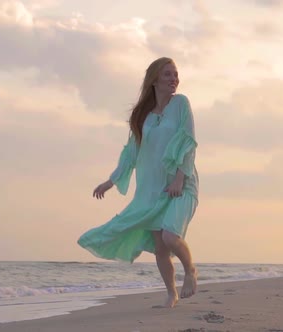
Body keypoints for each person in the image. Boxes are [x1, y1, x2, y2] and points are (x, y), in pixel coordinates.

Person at [78, 57, 199, 308]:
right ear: (154, 79)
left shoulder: (181, 104)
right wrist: (111, 182)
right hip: (152, 190)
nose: (174, 78)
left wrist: (179, 178)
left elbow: (188, 143)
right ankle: (171, 294)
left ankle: (190, 271)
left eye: (176, 74)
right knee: (160, 246)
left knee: (170, 237)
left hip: (181, 183)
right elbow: (132, 152)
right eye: (167, 74)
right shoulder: (142, 115)